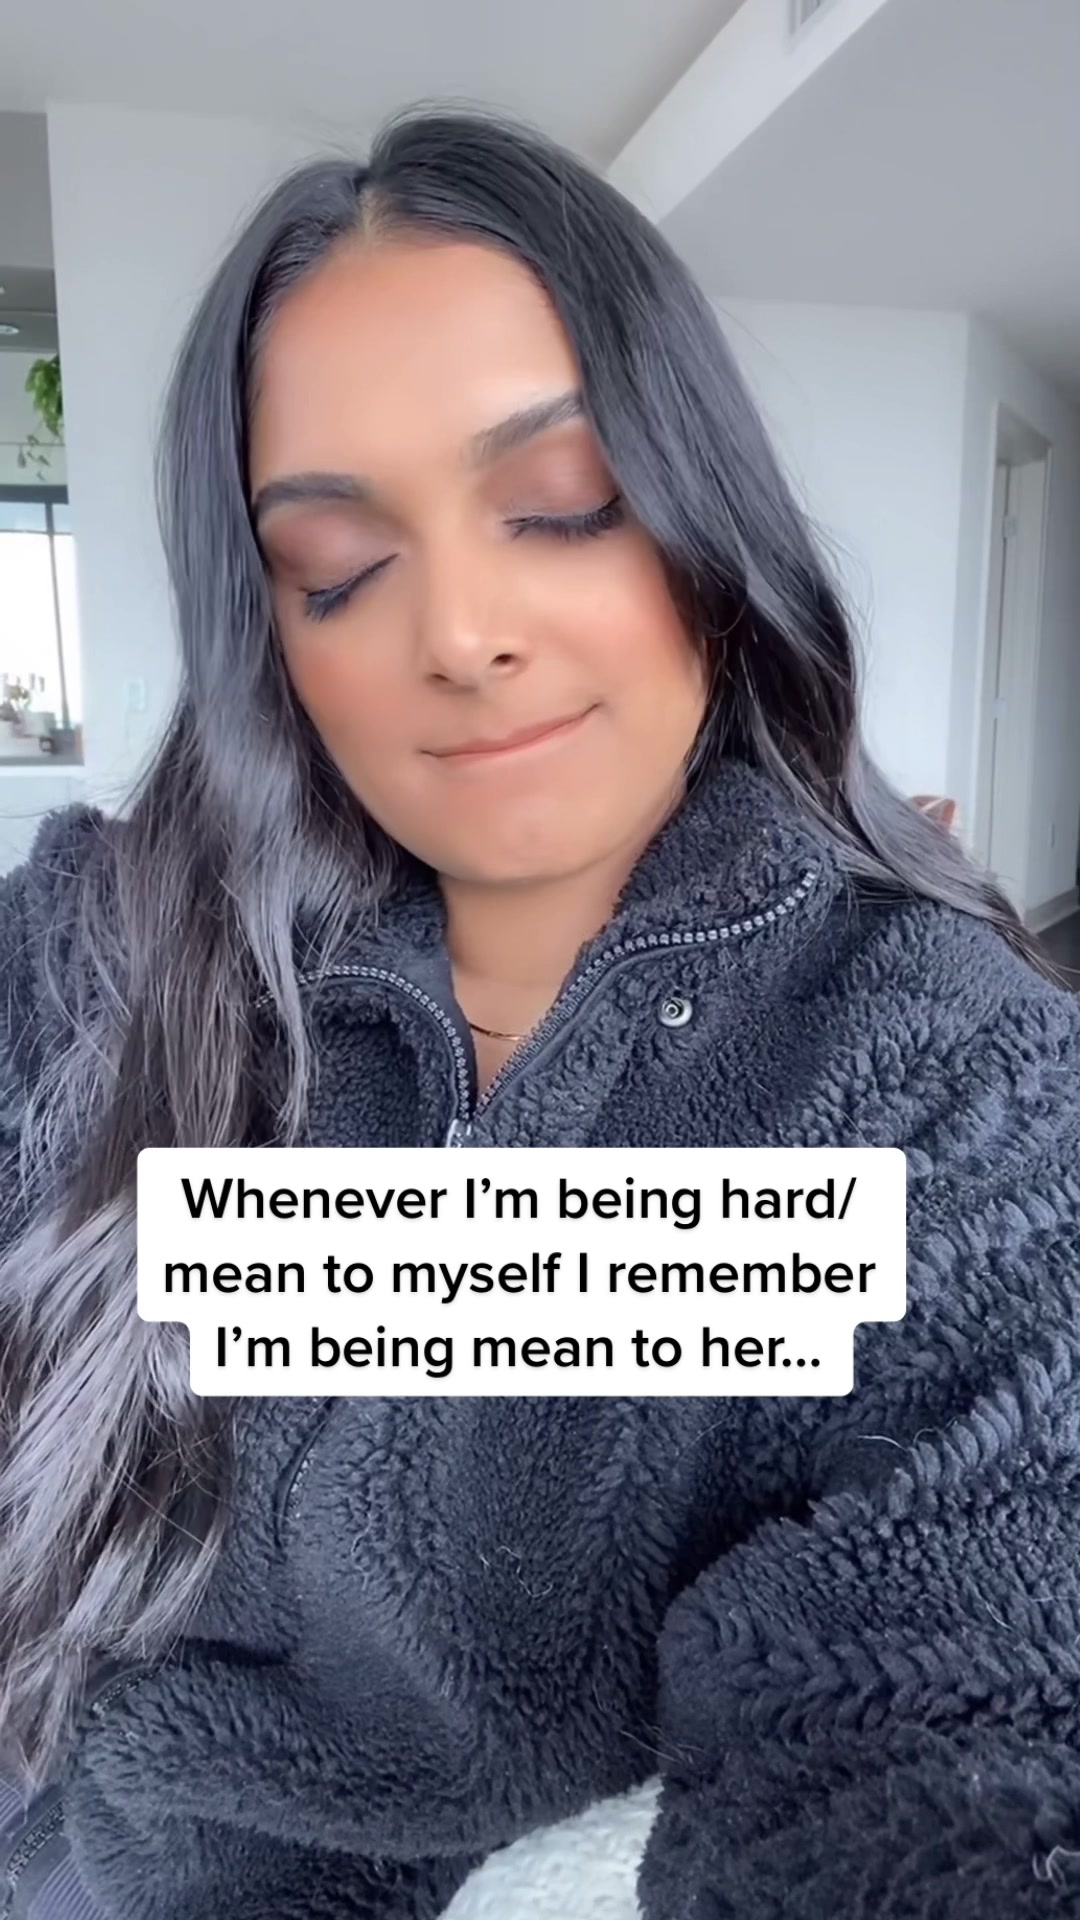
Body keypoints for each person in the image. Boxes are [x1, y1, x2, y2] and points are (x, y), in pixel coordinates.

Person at [2, 106, 1079, 1920]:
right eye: (339, 568)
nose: (461, 632)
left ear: (704, 525)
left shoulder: (953, 1090)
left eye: (563, 505)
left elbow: (977, 1709)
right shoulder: (100, 953)